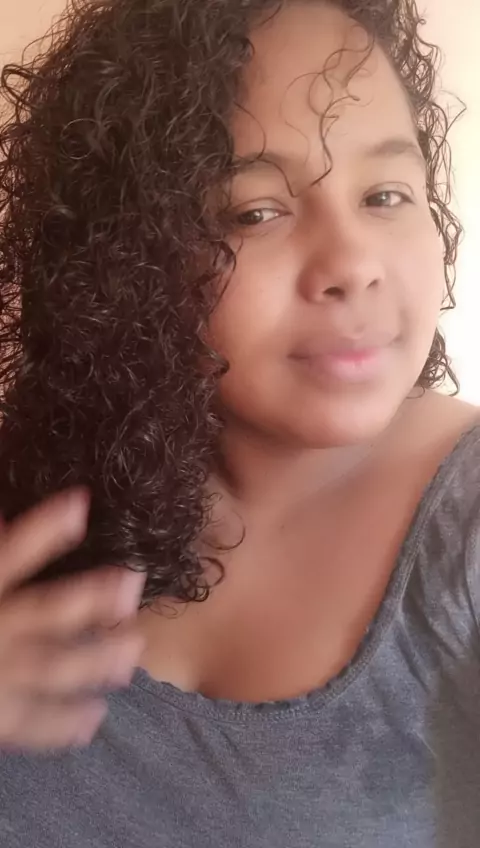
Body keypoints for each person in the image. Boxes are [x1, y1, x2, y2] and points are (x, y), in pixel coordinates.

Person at [0, 0, 478, 844]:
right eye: (256, 211)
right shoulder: (32, 491)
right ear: (130, 254)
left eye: (386, 194)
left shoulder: (464, 533)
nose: (352, 264)